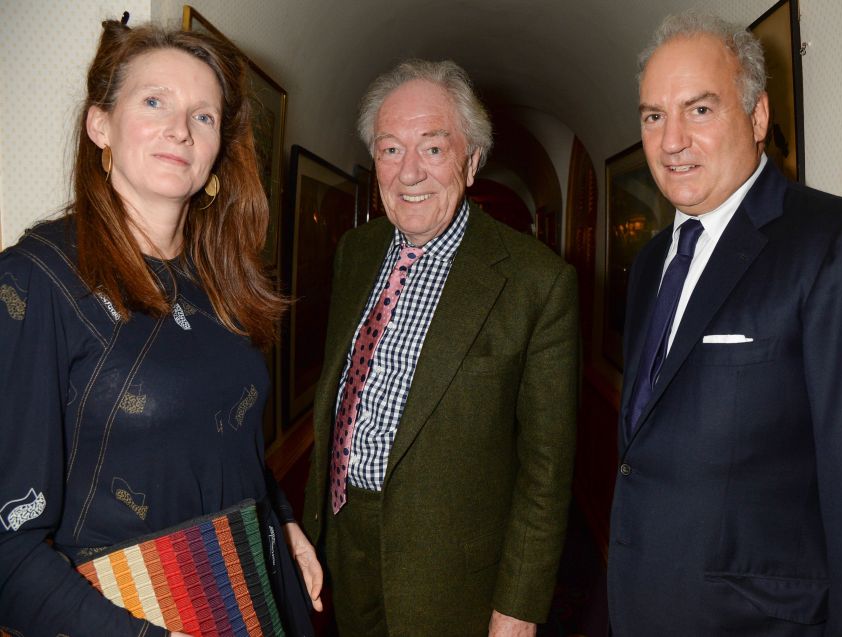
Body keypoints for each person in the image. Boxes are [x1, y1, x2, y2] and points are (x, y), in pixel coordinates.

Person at [608, 12, 842, 636]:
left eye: (700, 110)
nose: (671, 140)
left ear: (758, 116)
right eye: (653, 116)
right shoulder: (653, 261)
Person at [0, 19, 322, 636]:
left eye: (204, 116)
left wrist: (281, 520)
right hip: (128, 617)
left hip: (251, 592)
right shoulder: (35, 282)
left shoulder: (219, 275)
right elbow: (7, 550)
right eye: (155, 102)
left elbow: (224, 437)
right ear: (101, 126)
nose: (181, 128)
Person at [302, 59, 579, 636]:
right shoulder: (356, 252)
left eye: (432, 148)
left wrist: (520, 607)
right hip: (342, 536)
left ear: (472, 161)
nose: (409, 174)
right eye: (389, 149)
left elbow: (545, 472)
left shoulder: (537, 282)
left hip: (451, 574)